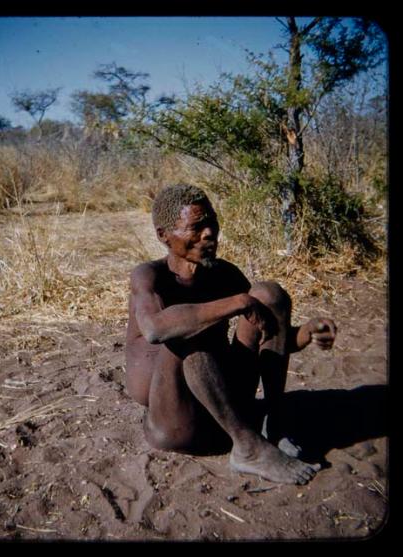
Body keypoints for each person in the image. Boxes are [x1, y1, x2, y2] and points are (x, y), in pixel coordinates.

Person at [125, 184, 337, 485]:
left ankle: (274, 424)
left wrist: (306, 334)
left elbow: (268, 333)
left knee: (269, 295)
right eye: (196, 227)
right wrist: (238, 302)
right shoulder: (149, 276)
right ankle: (248, 448)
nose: (209, 233)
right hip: (175, 422)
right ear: (164, 236)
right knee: (189, 331)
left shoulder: (224, 274)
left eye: (212, 222)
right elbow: (155, 329)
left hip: (225, 406)